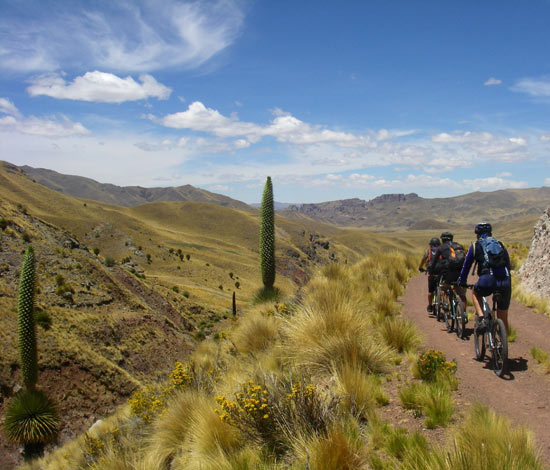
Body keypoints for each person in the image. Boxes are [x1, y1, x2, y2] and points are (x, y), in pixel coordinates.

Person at [458, 222, 511, 333]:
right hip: (505, 281)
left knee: (475, 292)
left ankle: (482, 318)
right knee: (503, 316)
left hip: (487, 280)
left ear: (477, 234)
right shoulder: (500, 244)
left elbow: (466, 267)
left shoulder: (475, 246)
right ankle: (503, 345)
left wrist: (462, 281)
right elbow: (507, 265)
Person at [428, 232, 467, 311]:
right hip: (460, 272)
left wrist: (431, 271)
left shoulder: (441, 248)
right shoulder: (459, 246)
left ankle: (445, 303)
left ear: (442, 239)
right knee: (462, 294)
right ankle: (464, 314)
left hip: (449, 272)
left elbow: (434, 261)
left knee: (443, 288)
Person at [419, 237, 441, 313]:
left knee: (430, 291)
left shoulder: (428, 251)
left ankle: (430, 306)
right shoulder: (441, 250)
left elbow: (423, 260)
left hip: (432, 273)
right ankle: (445, 303)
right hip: (441, 272)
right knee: (443, 288)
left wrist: (420, 267)